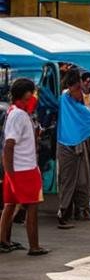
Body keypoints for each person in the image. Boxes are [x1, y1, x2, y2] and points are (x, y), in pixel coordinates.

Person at [1, 78, 47, 256]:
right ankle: (34, 246)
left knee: (10, 205)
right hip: (24, 169)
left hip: (17, 169)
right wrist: (10, 172)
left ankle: (3, 240)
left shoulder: (15, 111)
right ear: (24, 96)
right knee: (32, 208)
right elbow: (9, 145)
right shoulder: (19, 114)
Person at [57, 68, 90, 228]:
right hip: (66, 144)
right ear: (71, 87)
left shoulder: (71, 99)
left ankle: (80, 210)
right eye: (78, 89)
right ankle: (63, 213)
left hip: (76, 142)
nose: (80, 92)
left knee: (83, 179)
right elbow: (85, 115)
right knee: (68, 180)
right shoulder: (66, 99)